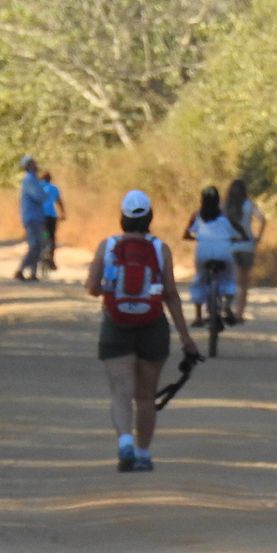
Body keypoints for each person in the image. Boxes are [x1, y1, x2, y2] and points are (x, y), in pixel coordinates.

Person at [83, 190, 200, 472]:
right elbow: (171, 295)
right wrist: (186, 338)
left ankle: (124, 442)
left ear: (122, 217)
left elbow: (92, 288)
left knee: (121, 390)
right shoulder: (161, 249)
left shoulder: (107, 246)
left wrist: (113, 289)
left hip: (116, 324)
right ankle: (143, 454)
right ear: (150, 217)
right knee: (146, 395)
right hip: (152, 326)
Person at [182, 186, 247, 327]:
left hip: (203, 252)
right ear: (218, 200)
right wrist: (243, 238)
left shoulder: (197, 215)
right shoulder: (225, 215)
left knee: (200, 279)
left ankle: (198, 316)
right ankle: (227, 305)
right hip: (223, 251)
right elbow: (239, 230)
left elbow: (186, 234)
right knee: (228, 279)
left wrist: (197, 238)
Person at [223, 179, 263, 321]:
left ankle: (227, 305)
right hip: (247, 245)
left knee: (231, 279)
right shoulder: (250, 204)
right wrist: (258, 237)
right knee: (244, 284)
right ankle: (239, 314)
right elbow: (262, 219)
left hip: (229, 246)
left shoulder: (225, 205)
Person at [15, 155, 45, 280]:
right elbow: (40, 196)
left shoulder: (34, 180)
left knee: (39, 244)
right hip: (31, 217)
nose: (35, 164)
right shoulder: (29, 180)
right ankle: (21, 269)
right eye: (32, 163)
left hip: (37, 217)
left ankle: (33, 272)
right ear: (28, 166)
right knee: (35, 245)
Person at [39, 170, 66, 273]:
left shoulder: (38, 186)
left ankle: (40, 253)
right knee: (52, 237)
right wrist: (63, 214)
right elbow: (59, 202)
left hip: (40, 215)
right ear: (50, 179)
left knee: (43, 234)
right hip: (51, 216)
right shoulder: (54, 188)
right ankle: (51, 258)